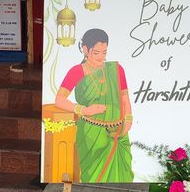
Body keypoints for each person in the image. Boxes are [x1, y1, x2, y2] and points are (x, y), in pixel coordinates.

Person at [55, 28, 134, 182]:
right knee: (93, 177)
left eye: (104, 52)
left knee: (122, 175)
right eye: (96, 52)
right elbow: (59, 99)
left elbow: (124, 97)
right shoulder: (76, 71)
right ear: (85, 49)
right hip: (91, 133)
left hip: (118, 131)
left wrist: (128, 121)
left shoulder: (116, 69)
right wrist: (84, 110)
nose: (101, 57)